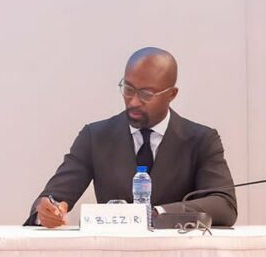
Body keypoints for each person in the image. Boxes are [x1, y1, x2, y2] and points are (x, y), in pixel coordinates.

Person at [26, 48, 238, 228]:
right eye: (128, 89)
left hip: (178, 254)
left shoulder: (201, 140)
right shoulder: (95, 137)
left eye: (146, 94)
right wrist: (46, 211)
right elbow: (52, 198)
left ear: (171, 94)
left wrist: (159, 213)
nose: (134, 101)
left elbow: (224, 205)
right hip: (112, 255)